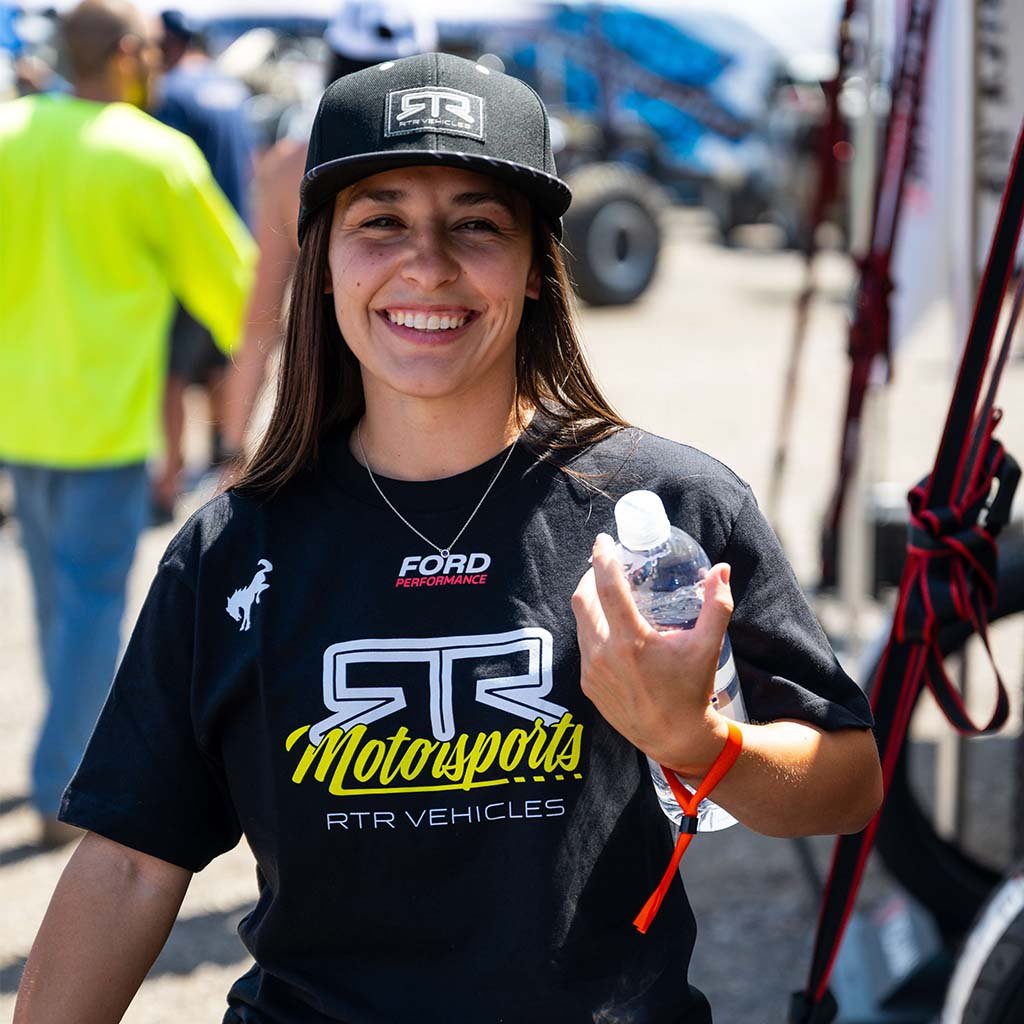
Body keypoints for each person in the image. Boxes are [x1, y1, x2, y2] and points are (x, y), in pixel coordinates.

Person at [15, 53, 882, 1022]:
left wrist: (698, 740)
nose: (426, 264)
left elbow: (846, 783)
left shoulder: (669, 505)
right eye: (379, 221)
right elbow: (133, 861)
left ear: (536, 269)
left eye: (476, 225)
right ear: (325, 261)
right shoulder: (233, 549)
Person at [0, 0, 256, 847]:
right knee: (91, 606)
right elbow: (240, 293)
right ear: (122, 54)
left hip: (18, 420)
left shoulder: (8, 134)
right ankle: (60, 783)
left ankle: (59, 756)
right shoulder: (153, 155)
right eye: (149, 46)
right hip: (104, 426)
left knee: (53, 601)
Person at [220, 0, 437, 462]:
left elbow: (261, 314)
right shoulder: (462, 172)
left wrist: (232, 449)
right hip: (444, 413)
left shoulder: (291, 165)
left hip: (331, 415)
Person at [150, 8, 255, 521]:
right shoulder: (229, 88)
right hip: (238, 248)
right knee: (220, 361)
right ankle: (224, 461)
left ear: (166, 40)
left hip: (191, 253)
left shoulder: (170, 93)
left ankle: (165, 486)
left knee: (168, 375)